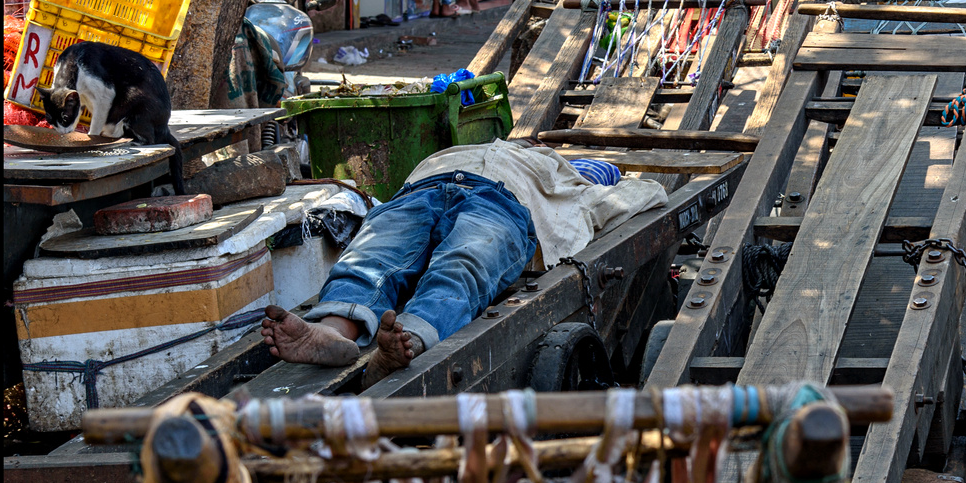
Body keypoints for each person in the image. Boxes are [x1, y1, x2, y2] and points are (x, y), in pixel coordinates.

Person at [259, 142, 665, 386]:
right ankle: (332, 332)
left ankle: (406, 341)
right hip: (422, 189)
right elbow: (641, 193)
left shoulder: (568, 181)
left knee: (460, 267)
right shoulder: (537, 165)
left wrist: (618, 186)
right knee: (373, 259)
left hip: (502, 202)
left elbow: (621, 199)